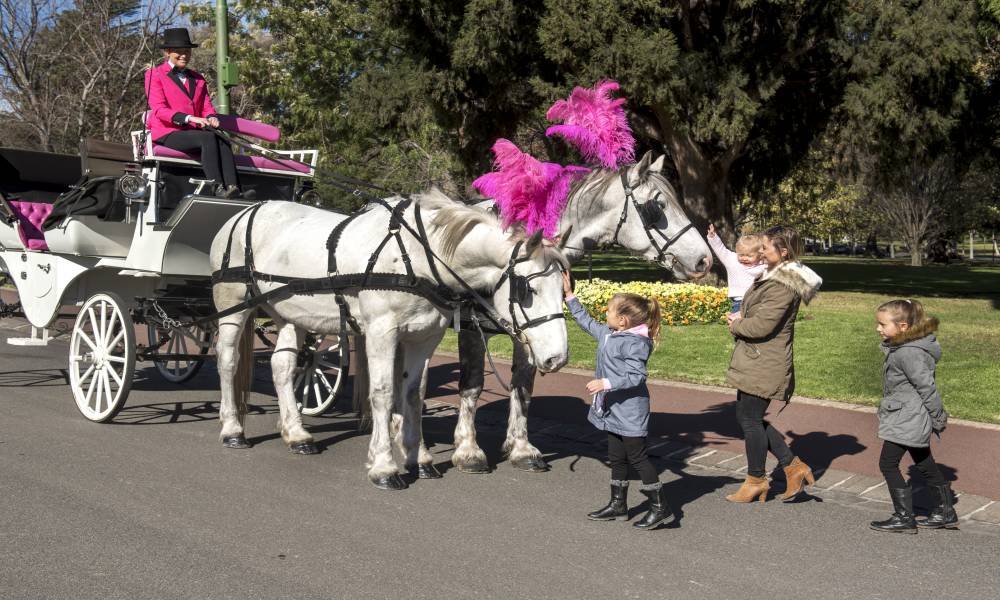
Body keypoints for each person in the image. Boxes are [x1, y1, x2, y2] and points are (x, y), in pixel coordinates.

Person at [562, 271, 672, 530]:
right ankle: (618, 505)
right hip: (612, 409)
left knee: (638, 458)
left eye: (609, 310)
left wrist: (606, 383)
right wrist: (569, 296)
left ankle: (660, 507)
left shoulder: (636, 343)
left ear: (622, 320)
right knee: (616, 456)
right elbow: (586, 321)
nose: (605, 312)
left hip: (631, 411)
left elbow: (636, 376)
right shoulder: (609, 333)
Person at [725, 225, 822, 503]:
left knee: (750, 419)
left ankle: (757, 479)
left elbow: (763, 325)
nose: (760, 251)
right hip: (756, 358)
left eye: (766, 248)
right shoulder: (773, 275)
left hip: (765, 360)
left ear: (783, 252)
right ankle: (792, 467)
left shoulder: (783, 284)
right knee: (748, 418)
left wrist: (737, 324)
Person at [870, 299, 954, 533]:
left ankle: (904, 518)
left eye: (882, 324)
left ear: (904, 326)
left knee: (887, 464)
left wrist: (938, 417)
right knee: (924, 462)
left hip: (908, 416)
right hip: (908, 414)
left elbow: (926, 387)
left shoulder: (908, 353)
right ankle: (945, 512)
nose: (878, 328)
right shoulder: (906, 347)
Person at [145, 28, 250, 199]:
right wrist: (189, 118)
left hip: (192, 132)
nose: (184, 55)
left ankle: (234, 188)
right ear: (167, 52)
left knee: (221, 136)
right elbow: (159, 109)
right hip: (168, 132)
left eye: (187, 51)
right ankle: (216, 188)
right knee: (207, 138)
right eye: (178, 51)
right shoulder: (154, 75)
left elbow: (207, 107)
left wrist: (211, 118)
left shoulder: (198, 78)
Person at [706, 224, 766, 315]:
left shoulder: (762, 264)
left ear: (759, 255)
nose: (744, 258)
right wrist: (713, 237)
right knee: (738, 325)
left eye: (749, 256)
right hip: (739, 303)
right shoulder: (732, 260)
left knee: (757, 326)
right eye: (741, 255)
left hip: (758, 302)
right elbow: (721, 250)